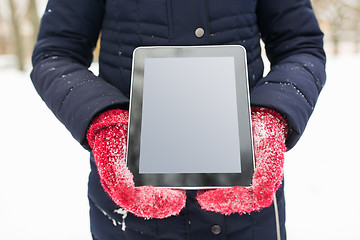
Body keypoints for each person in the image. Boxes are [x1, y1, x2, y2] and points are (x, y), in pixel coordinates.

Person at [30, 0, 326, 239]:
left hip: (246, 203)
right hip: (132, 201)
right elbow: (55, 55)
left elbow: (301, 47)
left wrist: (272, 115)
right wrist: (104, 120)